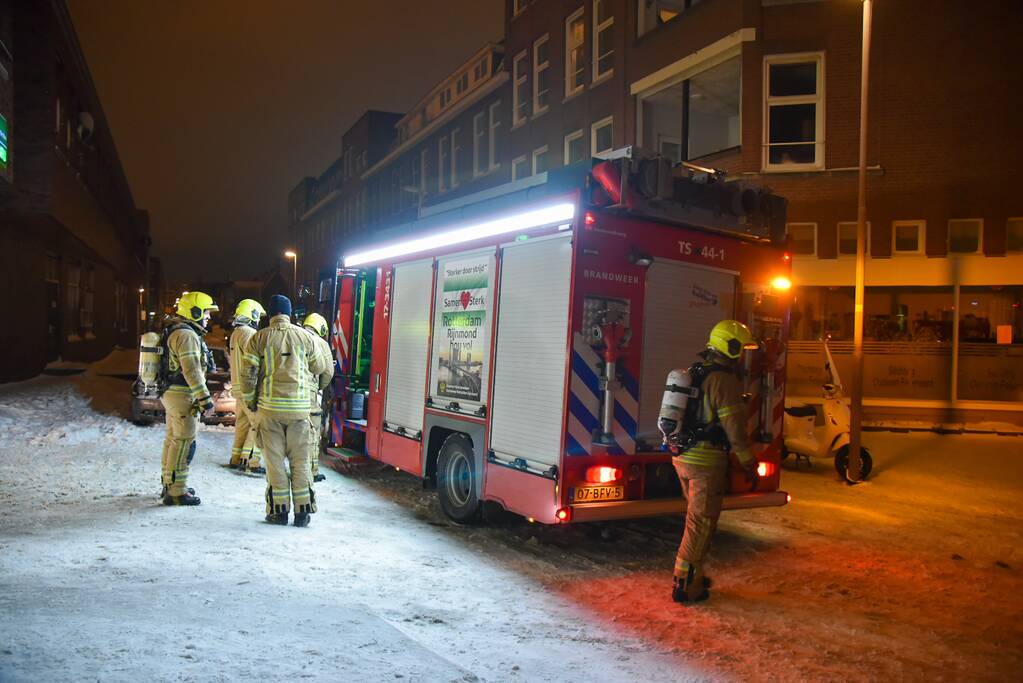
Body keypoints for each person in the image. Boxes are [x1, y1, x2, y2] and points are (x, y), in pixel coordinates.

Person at [669, 320, 760, 603]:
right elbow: (733, 425)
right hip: (706, 462)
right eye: (741, 347)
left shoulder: (697, 372)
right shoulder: (723, 379)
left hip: (684, 457)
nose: (743, 353)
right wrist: (747, 460)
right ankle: (685, 585)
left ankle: (693, 574)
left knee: (696, 521)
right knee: (701, 524)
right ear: (729, 347)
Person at [241, 295, 331, 527]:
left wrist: (250, 401)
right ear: (289, 313)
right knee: (300, 462)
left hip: (269, 411)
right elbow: (319, 367)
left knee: (275, 463)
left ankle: (279, 512)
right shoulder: (305, 337)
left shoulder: (258, 338)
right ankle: (303, 512)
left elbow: (248, 375)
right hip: (300, 411)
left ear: (270, 314)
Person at [159, 291, 219, 506]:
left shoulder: (177, 331)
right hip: (183, 395)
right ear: (194, 311)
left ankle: (170, 483)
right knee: (184, 442)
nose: (208, 317)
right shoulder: (186, 335)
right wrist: (205, 399)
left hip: (173, 393)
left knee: (173, 440)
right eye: (206, 312)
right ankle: (177, 492)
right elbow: (192, 370)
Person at [228, 299, 266, 474]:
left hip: (237, 387)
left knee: (242, 423)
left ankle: (236, 458)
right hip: (248, 387)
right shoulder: (250, 333)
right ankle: (250, 461)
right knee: (257, 423)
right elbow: (256, 361)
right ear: (253, 315)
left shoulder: (235, 333)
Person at [300, 313, 335, 483]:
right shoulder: (321, 343)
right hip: (310, 397)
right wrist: (318, 386)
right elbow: (327, 372)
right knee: (312, 434)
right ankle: (311, 472)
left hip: (291, 394)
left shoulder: (296, 336)